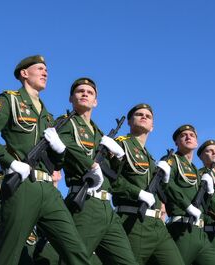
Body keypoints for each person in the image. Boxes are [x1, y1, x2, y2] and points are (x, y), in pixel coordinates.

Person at [0, 55, 90, 265]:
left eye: (47, 70)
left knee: (76, 249)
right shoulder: (11, 100)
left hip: (49, 190)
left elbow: (57, 163)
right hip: (23, 188)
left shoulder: (48, 116)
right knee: (9, 255)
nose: (45, 73)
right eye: (40, 68)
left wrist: (60, 151)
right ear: (24, 73)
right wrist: (10, 161)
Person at [60, 77, 137, 264]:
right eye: (80, 91)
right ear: (71, 98)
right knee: (76, 260)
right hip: (85, 203)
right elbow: (67, 146)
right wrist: (91, 164)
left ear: (95, 101)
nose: (85, 93)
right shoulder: (65, 123)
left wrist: (118, 157)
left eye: (90, 92)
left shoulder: (100, 134)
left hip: (106, 207)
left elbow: (114, 174)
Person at [110, 103, 184, 265]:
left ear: (152, 127)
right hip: (135, 221)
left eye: (148, 116)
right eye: (139, 114)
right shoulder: (121, 144)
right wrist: (137, 193)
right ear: (129, 122)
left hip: (158, 225)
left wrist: (163, 181)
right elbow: (111, 180)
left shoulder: (150, 157)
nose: (144, 117)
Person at [164, 125, 215, 264]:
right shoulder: (172, 160)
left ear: (196, 142)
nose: (189, 137)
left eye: (192, 135)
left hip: (199, 231)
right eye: (183, 135)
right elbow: (167, 186)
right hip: (182, 227)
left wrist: (210, 192)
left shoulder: (196, 170)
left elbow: (205, 205)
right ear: (176, 143)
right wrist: (187, 206)